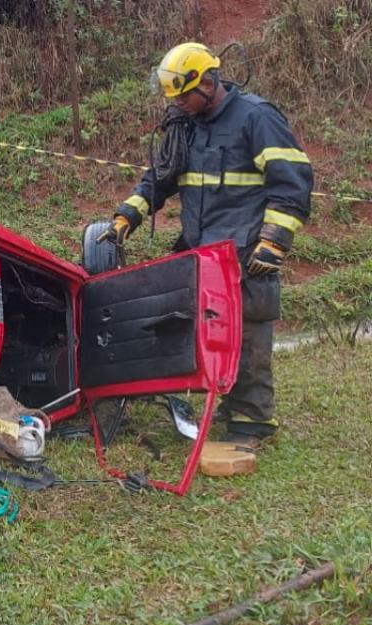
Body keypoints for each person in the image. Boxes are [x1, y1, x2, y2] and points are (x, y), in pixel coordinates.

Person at [98, 42, 313, 447]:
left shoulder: (256, 118)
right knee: (202, 331)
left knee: (248, 333)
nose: (177, 102)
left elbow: (292, 180)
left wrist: (275, 241)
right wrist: (129, 213)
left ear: (209, 82)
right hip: (200, 253)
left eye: (183, 94)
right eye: (174, 96)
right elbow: (161, 176)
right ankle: (218, 400)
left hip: (244, 252)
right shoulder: (185, 125)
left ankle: (251, 424)